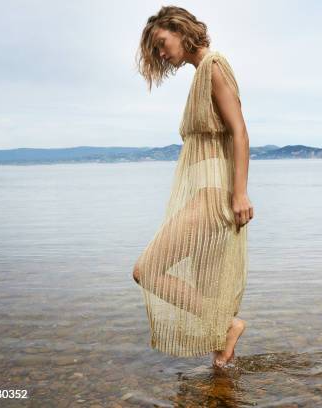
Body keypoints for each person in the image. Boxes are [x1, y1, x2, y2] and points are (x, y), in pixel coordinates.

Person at [132, 5, 253, 368]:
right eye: (155, 49)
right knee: (204, 287)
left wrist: (240, 193)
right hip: (207, 192)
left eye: (161, 43)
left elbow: (240, 131)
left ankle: (226, 325)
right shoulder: (201, 73)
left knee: (146, 271)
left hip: (214, 194)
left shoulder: (213, 67)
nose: (160, 53)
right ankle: (224, 368)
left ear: (180, 30)